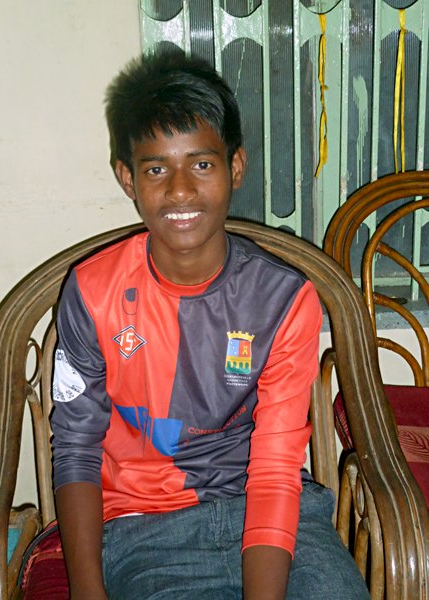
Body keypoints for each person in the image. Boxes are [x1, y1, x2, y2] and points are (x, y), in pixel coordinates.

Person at [50, 52, 370, 600]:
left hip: (278, 518)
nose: (180, 190)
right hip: (144, 526)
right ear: (127, 178)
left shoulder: (282, 299)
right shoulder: (93, 292)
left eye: (201, 164)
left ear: (235, 167)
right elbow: (76, 447)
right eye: (156, 169)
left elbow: (274, 468)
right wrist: (87, 589)